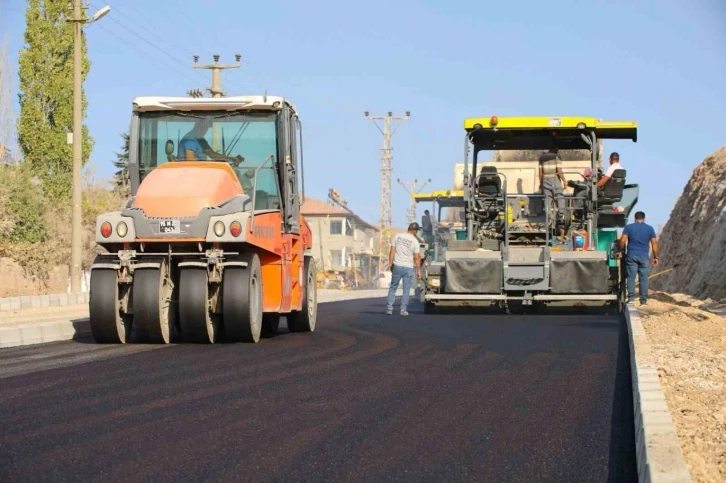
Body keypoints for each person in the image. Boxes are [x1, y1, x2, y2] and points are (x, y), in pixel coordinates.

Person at [618, 211, 659, 305]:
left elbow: (622, 240)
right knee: (643, 279)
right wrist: (656, 257)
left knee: (631, 277)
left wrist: (619, 251)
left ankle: (631, 299)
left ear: (634, 218)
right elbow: (654, 243)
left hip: (631, 255)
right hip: (644, 257)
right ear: (644, 219)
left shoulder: (629, 227)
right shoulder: (650, 229)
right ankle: (643, 301)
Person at [386, 222, 422, 315]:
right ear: (415, 231)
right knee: (406, 290)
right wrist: (418, 271)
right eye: (417, 231)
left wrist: (390, 263)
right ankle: (403, 310)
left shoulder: (397, 236)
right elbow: (417, 257)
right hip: (408, 268)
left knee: (393, 287)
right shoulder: (415, 241)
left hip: (397, 265)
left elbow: (392, 250)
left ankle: (389, 309)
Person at [178, 118, 244, 165]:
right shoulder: (190, 140)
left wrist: (232, 159)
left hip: (200, 172)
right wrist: (212, 163)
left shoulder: (201, 140)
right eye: (203, 127)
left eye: (206, 128)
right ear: (196, 125)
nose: (204, 130)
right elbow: (190, 160)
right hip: (190, 175)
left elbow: (213, 155)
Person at [539, 147, 567, 224]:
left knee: (547, 199)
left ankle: (549, 219)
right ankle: (561, 216)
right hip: (554, 178)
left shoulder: (542, 158)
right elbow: (559, 170)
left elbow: (540, 172)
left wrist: (541, 183)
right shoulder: (556, 157)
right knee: (559, 196)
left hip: (545, 179)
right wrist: (564, 181)